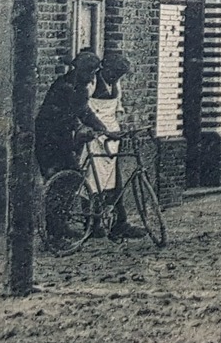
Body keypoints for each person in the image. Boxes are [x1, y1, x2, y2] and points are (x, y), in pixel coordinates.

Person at [36, 49, 117, 240]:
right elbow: (83, 112)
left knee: (62, 181)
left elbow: (75, 112)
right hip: (52, 141)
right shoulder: (72, 88)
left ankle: (57, 227)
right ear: (82, 71)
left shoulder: (65, 83)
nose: (91, 77)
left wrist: (88, 128)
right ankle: (56, 230)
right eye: (90, 72)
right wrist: (103, 130)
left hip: (54, 138)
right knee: (69, 179)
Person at [88, 52, 145, 240]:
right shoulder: (93, 82)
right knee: (93, 180)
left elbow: (117, 108)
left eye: (119, 75)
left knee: (113, 179)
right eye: (114, 73)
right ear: (105, 68)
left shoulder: (115, 84)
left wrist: (123, 125)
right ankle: (93, 223)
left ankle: (119, 223)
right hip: (95, 136)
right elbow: (84, 109)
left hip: (112, 137)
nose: (116, 78)